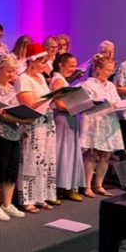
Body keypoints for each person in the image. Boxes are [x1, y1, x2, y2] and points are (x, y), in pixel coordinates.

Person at [0, 54, 30, 221]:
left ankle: (7, 203)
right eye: (10, 71)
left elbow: (15, 108)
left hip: (13, 132)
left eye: (14, 71)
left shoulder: (11, 88)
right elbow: (0, 113)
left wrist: (21, 117)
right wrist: (22, 119)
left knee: (12, 169)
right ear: (0, 69)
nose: (12, 75)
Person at [15, 43, 59, 212]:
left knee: (46, 160)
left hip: (46, 121)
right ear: (32, 62)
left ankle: (41, 196)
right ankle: (27, 198)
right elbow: (29, 105)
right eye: (42, 62)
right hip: (33, 124)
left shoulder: (40, 78)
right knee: (30, 160)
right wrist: (50, 96)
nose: (44, 65)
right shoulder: (23, 79)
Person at [79, 56, 123, 198]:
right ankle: (87, 186)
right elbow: (85, 103)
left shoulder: (110, 85)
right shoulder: (87, 84)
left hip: (109, 121)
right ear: (98, 69)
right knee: (93, 154)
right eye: (108, 70)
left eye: (112, 70)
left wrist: (118, 105)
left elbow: (117, 100)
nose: (110, 72)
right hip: (95, 120)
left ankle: (99, 185)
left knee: (106, 154)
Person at [49, 53, 86, 202]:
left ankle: (70, 186)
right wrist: (79, 106)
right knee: (62, 152)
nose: (73, 69)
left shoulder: (63, 79)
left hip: (69, 118)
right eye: (70, 66)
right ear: (61, 65)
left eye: (74, 65)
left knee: (71, 153)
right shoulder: (57, 80)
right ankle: (57, 188)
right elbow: (58, 104)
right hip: (62, 119)